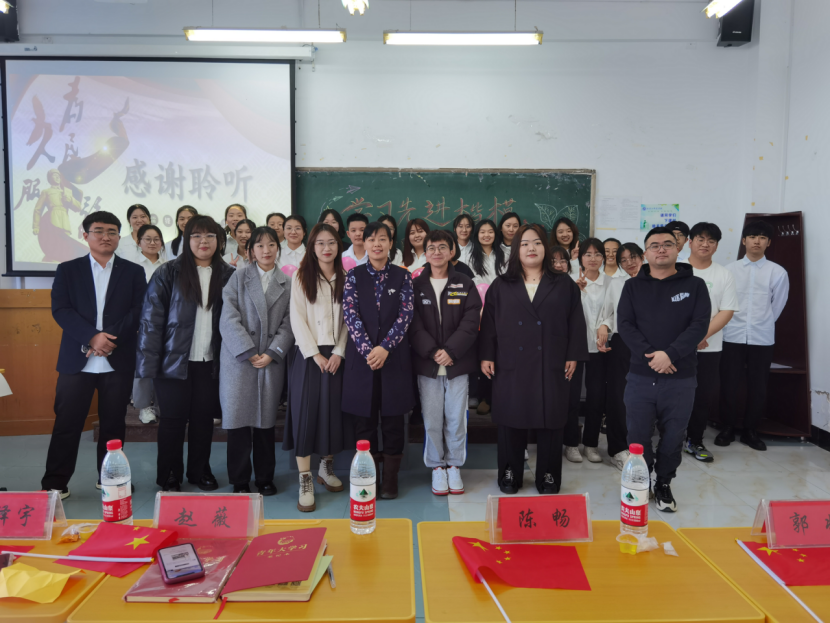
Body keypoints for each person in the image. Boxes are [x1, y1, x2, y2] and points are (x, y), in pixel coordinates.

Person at [41, 211, 147, 500]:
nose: (105, 236)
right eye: (98, 231)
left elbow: (138, 310)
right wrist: (92, 337)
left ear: (120, 237)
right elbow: (61, 309)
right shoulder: (68, 269)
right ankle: (55, 482)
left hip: (117, 359)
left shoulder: (133, 271)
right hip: (77, 361)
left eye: (112, 232)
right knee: (67, 423)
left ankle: (110, 479)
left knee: (114, 424)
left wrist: (108, 339)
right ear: (85, 235)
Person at [480, 224, 587, 494]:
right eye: (525, 243)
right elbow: (489, 325)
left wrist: (573, 354)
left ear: (545, 248)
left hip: (551, 360)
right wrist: (487, 355)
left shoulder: (563, 284)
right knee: (510, 416)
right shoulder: (501, 284)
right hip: (510, 362)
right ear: (516, 250)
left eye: (537, 243)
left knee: (551, 417)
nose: (531, 248)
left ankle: (548, 474)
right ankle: (509, 472)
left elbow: (576, 322)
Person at [136, 215, 236, 492]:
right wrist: (148, 367)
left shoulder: (229, 275)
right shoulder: (168, 272)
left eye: (210, 236)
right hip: (172, 362)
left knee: (204, 420)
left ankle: (199, 471)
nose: (204, 241)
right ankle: (169, 474)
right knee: (172, 420)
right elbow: (150, 322)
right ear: (186, 240)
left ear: (220, 241)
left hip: (211, 362)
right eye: (196, 236)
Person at [616, 227, 710, 512]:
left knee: (673, 436)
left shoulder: (695, 285)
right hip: (641, 375)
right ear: (645, 252)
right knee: (637, 435)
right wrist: (652, 357)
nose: (661, 249)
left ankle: (664, 483)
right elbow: (626, 326)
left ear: (678, 249)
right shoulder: (633, 286)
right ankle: (641, 481)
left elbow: (699, 326)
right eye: (654, 245)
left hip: (680, 377)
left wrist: (670, 354)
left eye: (667, 244)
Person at [342, 221, 415, 500]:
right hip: (363, 361)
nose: (376, 244)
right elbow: (350, 315)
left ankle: (390, 480)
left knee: (394, 421)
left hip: (394, 358)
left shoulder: (403, 276)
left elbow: (405, 315)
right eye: (371, 239)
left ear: (390, 243)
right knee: (365, 422)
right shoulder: (354, 275)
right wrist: (369, 351)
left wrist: (384, 348)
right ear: (363, 243)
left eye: (382, 239)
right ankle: (368, 478)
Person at [220, 226, 294, 495]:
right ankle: (239, 480)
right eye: (260, 245)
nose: (266, 250)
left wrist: (273, 352)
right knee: (238, 423)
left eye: (271, 245)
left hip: (270, 360)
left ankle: (264, 478)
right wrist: (248, 350)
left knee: (265, 423)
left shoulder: (288, 283)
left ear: (278, 249)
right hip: (239, 360)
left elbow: (290, 322)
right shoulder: (238, 278)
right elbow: (228, 318)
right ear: (251, 250)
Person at [410, 230, 482, 496]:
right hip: (427, 364)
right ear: (425, 253)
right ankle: (436, 467)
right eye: (431, 248)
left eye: (442, 247)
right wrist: (432, 351)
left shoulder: (465, 282)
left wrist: (451, 351)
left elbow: (471, 320)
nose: (437, 252)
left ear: (452, 252)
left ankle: (454, 465)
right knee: (431, 419)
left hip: (457, 364)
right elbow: (412, 323)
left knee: (456, 418)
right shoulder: (415, 285)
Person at [286, 224, 351, 511]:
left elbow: (349, 321)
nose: (327, 248)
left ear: (338, 246)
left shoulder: (346, 278)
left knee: (331, 413)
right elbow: (296, 318)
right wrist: (315, 354)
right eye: (320, 243)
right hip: (308, 356)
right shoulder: (301, 277)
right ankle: (305, 479)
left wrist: (338, 351)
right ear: (312, 247)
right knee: (306, 414)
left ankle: (326, 468)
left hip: (337, 356)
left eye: (332, 242)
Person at [716, 220, 789, 452]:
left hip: (762, 337)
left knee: (758, 387)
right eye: (752, 237)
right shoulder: (729, 270)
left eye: (762, 237)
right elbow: (722, 303)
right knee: (728, 384)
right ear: (744, 240)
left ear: (768, 243)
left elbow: (777, 306)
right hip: (731, 334)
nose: (757, 241)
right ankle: (727, 428)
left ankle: (750, 431)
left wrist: (762, 323)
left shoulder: (777, 272)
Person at [680, 222, 739, 463]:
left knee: (702, 395)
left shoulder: (723, 274)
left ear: (716, 246)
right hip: (675, 347)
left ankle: (694, 440)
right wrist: (688, 339)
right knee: (670, 393)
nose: (705, 244)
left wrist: (701, 336)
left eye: (711, 241)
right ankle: (668, 439)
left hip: (709, 347)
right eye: (700, 239)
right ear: (690, 242)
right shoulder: (675, 269)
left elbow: (727, 310)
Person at [564, 238, 610, 464]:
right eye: (588, 254)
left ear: (604, 258)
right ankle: (571, 443)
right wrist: (577, 291)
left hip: (601, 349)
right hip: (574, 348)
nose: (593, 258)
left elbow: (616, 311)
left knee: (596, 397)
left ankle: (591, 444)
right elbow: (563, 314)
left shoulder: (611, 283)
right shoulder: (569, 281)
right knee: (571, 397)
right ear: (579, 257)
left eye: (598, 254)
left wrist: (606, 325)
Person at [598, 243, 644, 470]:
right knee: (619, 394)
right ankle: (617, 448)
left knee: (644, 396)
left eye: (633, 257)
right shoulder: (616, 284)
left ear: (643, 257)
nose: (629, 263)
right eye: (623, 260)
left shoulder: (656, 282)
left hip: (650, 345)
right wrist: (604, 325)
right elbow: (608, 313)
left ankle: (641, 445)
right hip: (622, 343)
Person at [468, 219, 506, 416]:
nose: (486, 235)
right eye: (482, 232)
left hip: (502, 307)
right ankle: (481, 396)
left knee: (499, 350)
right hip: (478, 307)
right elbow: (471, 282)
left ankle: (495, 396)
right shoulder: (470, 255)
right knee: (481, 349)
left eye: (490, 231)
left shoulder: (504, 254)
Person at [134, 224, 167, 424]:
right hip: (142, 322)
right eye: (148, 239)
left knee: (165, 365)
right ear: (139, 242)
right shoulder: (132, 266)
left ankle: (162, 405)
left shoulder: (170, 265)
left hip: (166, 323)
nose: (152, 243)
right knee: (144, 365)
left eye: (156, 239)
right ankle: (144, 406)